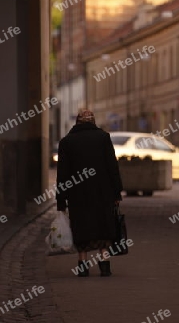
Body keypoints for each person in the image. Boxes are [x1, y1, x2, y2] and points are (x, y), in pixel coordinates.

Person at [56, 109, 123, 277]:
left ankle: (83, 264)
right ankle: (105, 263)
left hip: (77, 194)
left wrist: (61, 200)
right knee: (102, 225)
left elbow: (62, 173)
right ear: (93, 122)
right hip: (103, 192)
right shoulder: (103, 138)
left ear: (77, 122)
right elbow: (112, 168)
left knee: (81, 227)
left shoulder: (66, 142)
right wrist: (116, 193)